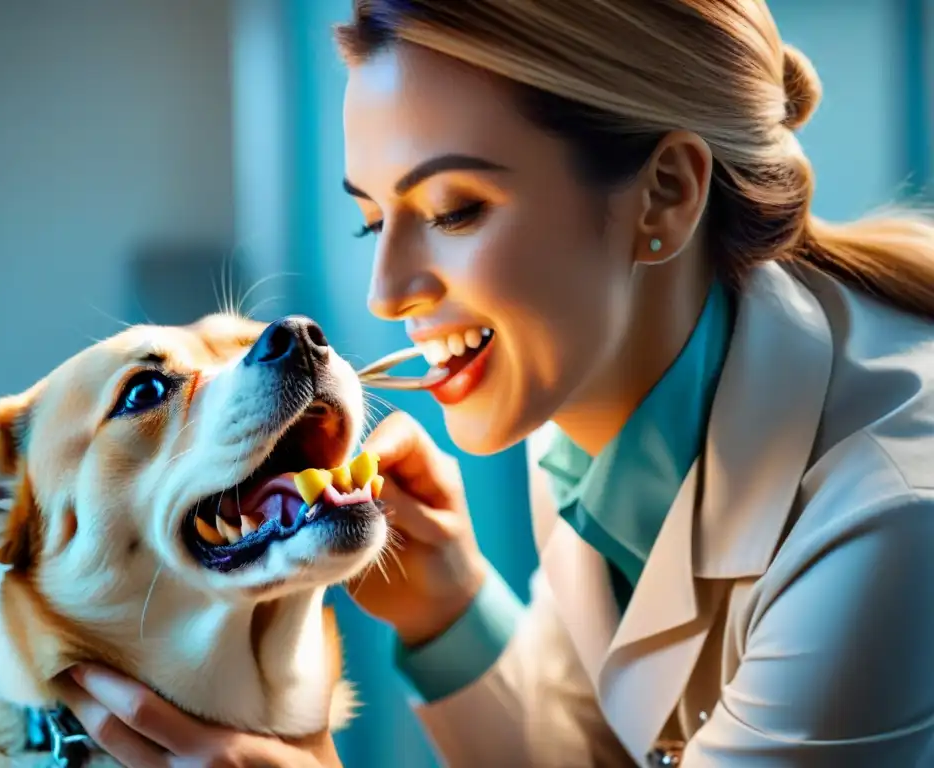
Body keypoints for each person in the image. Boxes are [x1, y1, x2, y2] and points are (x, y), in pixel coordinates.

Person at [60, 0, 934, 765]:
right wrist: (446, 611)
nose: (388, 293)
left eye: (453, 211)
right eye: (373, 223)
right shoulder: (585, 402)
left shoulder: (886, 525)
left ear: (664, 193)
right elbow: (606, 751)